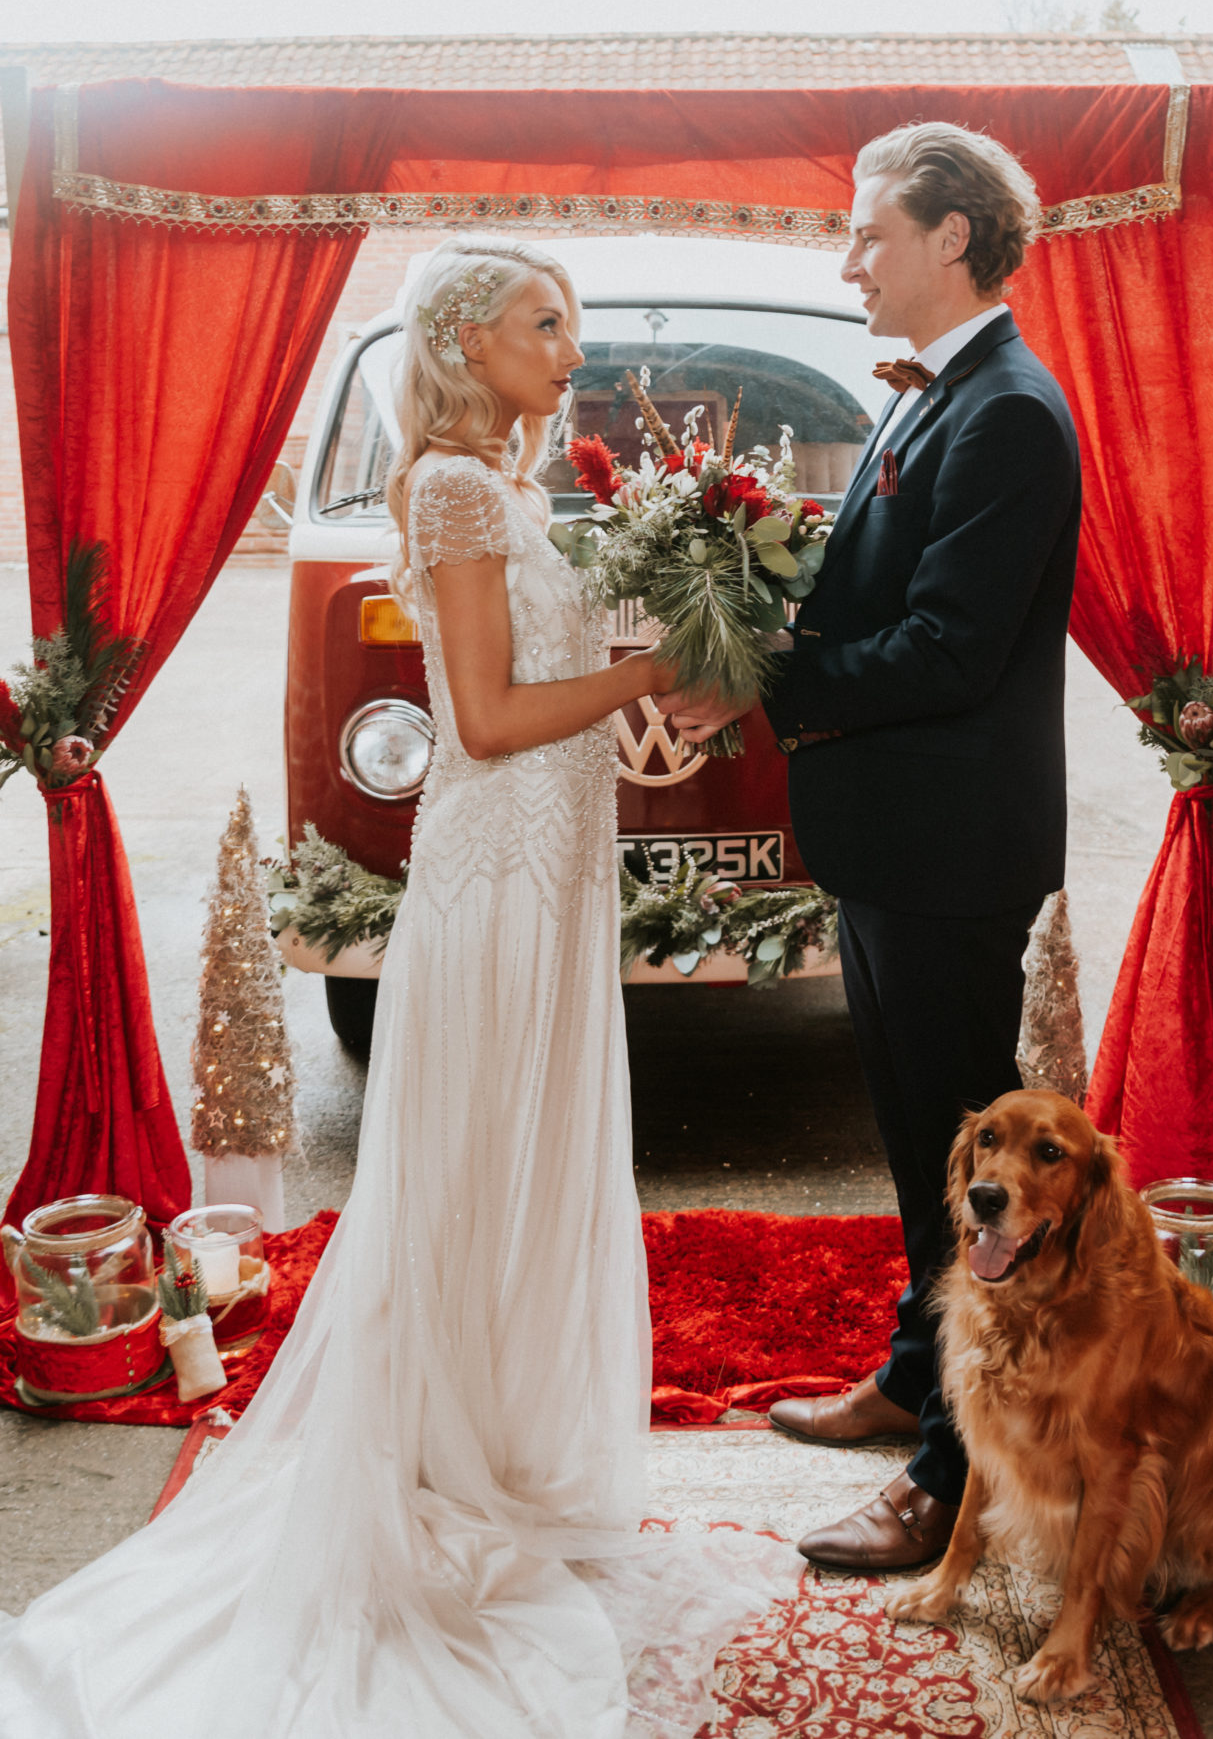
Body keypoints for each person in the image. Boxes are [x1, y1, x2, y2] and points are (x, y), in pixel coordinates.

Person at [0, 240, 796, 1737]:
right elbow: (485, 720)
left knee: (519, 1166)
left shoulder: (507, 482)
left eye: (567, 319)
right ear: (463, 340)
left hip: (553, 877)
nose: (569, 343)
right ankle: (430, 1468)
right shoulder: (443, 482)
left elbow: (536, 676)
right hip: (492, 883)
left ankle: (488, 1449)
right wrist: (648, 673)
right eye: (539, 321)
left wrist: (642, 712)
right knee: (469, 1169)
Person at [660, 125, 1082, 1573]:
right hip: (893, 841)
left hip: (952, 849)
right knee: (917, 1153)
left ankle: (949, 1477)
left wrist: (765, 680)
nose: (849, 257)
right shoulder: (928, 398)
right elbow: (870, 598)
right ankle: (917, 1376)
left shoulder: (1010, 411)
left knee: (976, 1185)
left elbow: (953, 651)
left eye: (867, 232)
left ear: (951, 237)